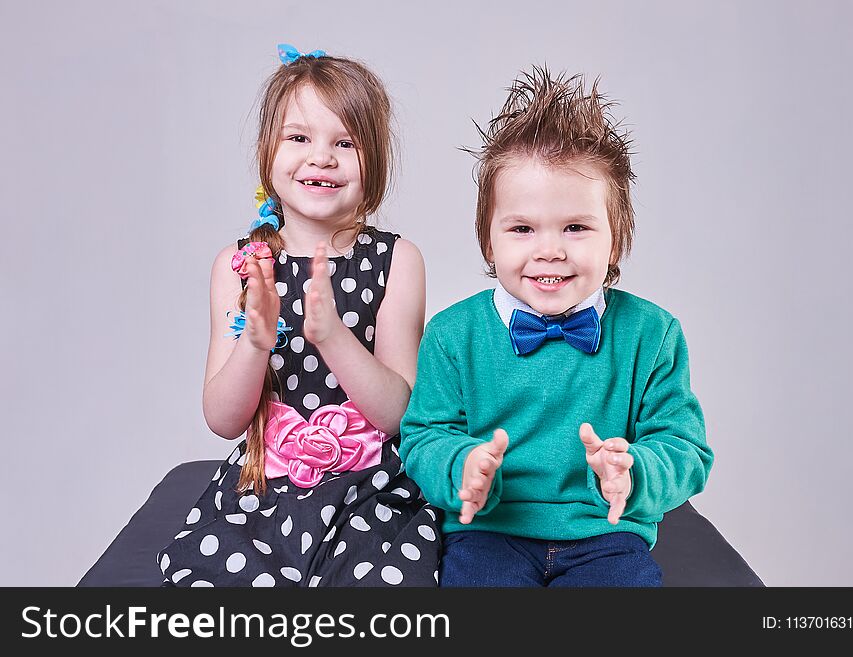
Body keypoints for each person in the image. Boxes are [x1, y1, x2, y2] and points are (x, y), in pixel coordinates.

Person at [399, 66, 714, 587]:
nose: (550, 250)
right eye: (522, 228)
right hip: (488, 533)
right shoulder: (453, 334)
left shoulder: (652, 334)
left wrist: (633, 472)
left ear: (618, 238)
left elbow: (686, 448)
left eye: (576, 227)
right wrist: (462, 467)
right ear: (488, 242)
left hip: (608, 537)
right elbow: (422, 436)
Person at [158, 44, 440, 587]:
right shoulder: (239, 266)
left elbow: (400, 414)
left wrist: (332, 336)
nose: (322, 158)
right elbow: (222, 420)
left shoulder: (397, 261)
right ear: (269, 153)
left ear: (374, 161)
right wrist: (255, 343)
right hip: (262, 489)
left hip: (372, 489)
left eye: (345, 143)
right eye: (299, 138)